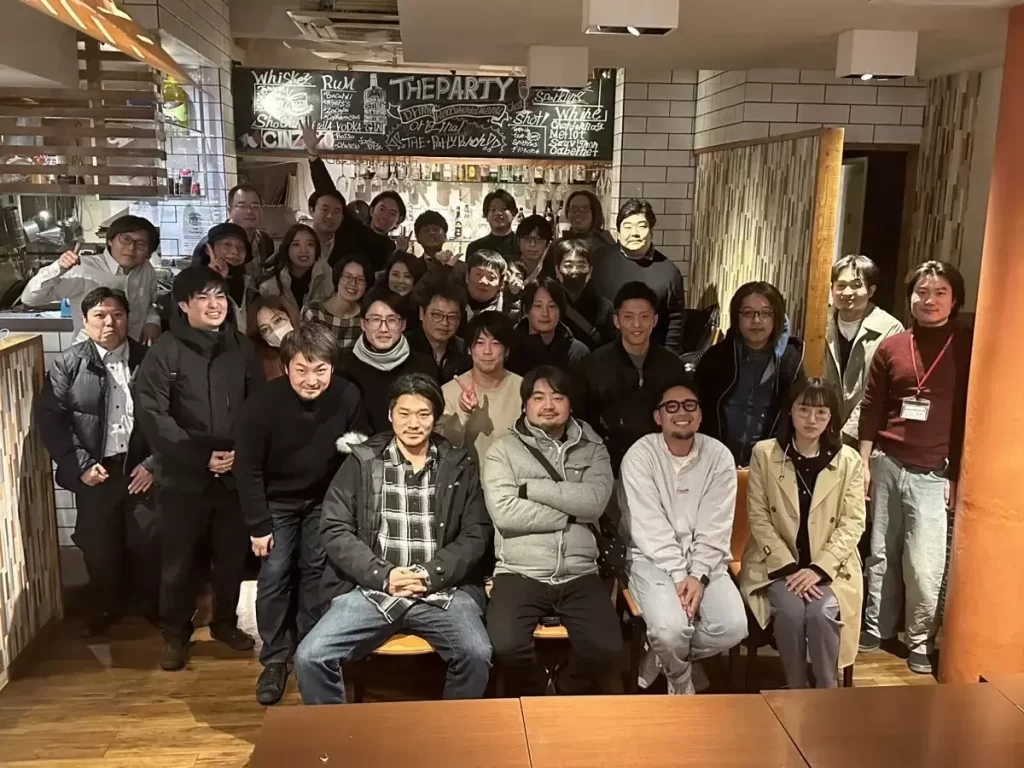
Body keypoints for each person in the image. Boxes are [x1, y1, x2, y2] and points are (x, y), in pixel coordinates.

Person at [293, 374, 493, 705]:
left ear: (436, 417)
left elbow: (476, 532)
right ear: (390, 414)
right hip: (373, 590)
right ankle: (334, 733)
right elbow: (334, 527)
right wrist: (383, 574)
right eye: (404, 413)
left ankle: (453, 732)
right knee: (311, 657)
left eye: (423, 414)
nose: (413, 423)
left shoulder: (458, 463)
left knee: (477, 654)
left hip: (441, 590)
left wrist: (430, 573)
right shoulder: (362, 461)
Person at [136, 266, 264, 671]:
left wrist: (242, 452)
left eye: (220, 296)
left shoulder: (241, 347)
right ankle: (175, 634)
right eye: (204, 297)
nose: (214, 305)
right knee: (179, 563)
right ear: (183, 304)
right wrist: (199, 456)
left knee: (230, 558)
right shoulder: (166, 350)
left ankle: (225, 622)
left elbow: (258, 406)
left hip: (232, 475)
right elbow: (153, 415)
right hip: (183, 477)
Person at [235, 324, 369, 705]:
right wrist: (258, 525)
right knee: (275, 575)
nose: (312, 380)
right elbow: (247, 468)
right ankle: (275, 659)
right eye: (302, 370)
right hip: (276, 501)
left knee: (316, 573)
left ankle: (312, 649)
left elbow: (360, 449)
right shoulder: (262, 404)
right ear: (285, 367)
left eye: (321, 369)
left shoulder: (346, 395)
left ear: (332, 367)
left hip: (324, 500)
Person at [858, 260, 972, 675]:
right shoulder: (892, 347)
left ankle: (920, 639)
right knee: (881, 555)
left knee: (925, 565)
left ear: (954, 300)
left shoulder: (966, 346)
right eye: (922, 292)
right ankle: (877, 626)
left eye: (940, 293)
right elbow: (872, 406)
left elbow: (968, 416)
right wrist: (865, 462)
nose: (929, 300)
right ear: (910, 297)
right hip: (887, 462)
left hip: (934, 471)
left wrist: (956, 474)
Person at [483, 367, 620, 696]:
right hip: (520, 570)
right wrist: (571, 514)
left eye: (558, 397)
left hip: (580, 570)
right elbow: (506, 514)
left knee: (607, 649)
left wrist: (531, 488)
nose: (548, 405)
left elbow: (594, 504)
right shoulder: (502, 450)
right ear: (525, 405)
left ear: (570, 404)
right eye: (538, 397)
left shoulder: (593, 448)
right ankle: (537, 691)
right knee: (505, 646)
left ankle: (564, 690)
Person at [35, 286, 158, 637]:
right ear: (85, 321)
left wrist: (154, 464)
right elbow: (52, 421)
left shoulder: (150, 360)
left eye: (117, 315)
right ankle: (107, 607)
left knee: (148, 540)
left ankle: (151, 606)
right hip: (96, 471)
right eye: (100, 316)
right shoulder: (68, 363)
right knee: (98, 546)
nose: (110, 323)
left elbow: (172, 416)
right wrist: (82, 466)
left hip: (140, 470)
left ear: (128, 319)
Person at [618, 380, 748, 694]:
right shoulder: (639, 456)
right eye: (671, 407)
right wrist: (680, 575)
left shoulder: (718, 456)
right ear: (658, 417)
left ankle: (662, 657)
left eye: (690, 406)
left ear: (700, 416)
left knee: (732, 628)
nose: (682, 412)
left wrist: (698, 574)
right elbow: (648, 527)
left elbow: (716, 524)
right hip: (651, 558)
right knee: (670, 631)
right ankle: (681, 680)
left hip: (705, 560)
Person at [741, 378, 866, 689]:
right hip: (777, 565)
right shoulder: (765, 454)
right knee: (791, 611)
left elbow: (853, 523)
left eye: (821, 412)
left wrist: (818, 569)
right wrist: (789, 568)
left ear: (831, 417)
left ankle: (826, 691)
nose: (812, 419)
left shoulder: (848, 460)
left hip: (831, 567)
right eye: (804, 409)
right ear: (790, 411)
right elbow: (758, 518)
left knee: (822, 612)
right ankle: (796, 688)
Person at [574, 281, 685, 471]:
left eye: (644, 317)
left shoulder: (672, 365)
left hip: (661, 462)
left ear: (654, 320)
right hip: (609, 463)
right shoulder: (595, 363)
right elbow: (582, 418)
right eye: (628, 317)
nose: (636, 325)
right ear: (616, 321)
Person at [696, 281, 806, 467]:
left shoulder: (791, 360)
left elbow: (797, 416)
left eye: (765, 313)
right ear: (736, 317)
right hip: (716, 460)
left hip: (771, 464)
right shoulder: (716, 357)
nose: (756, 320)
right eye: (748, 313)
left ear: (777, 317)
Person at [21, 215, 161, 344]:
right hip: (90, 355)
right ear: (110, 241)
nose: (131, 248)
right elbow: (30, 299)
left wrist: (153, 321)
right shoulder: (83, 269)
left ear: (149, 253)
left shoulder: (146, 269)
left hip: (132, 353)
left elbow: (149, 303)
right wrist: (58, 267)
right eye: (125, 239)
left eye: (141, 244)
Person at [825, 255, 904, 445]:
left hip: (869, 435)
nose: (847, 292)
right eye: (841, 285)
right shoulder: (818, 323)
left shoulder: (891, 329)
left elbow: (881, 390)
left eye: (856, 285)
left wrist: (846, 436)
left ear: (871, 290)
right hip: (822, 429)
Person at [590, 199, 686, 354]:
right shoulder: (599, 259)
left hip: (648, 357)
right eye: (627, 227)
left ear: (652, 231)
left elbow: (674, 321)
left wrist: (669, 358)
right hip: (600, 353)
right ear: (618, 233)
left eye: (641, 226)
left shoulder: (669, 272)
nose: (634, 233)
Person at [337, 288, 436, 433]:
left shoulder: (424, 366)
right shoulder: (344, 368)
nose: (383, 329)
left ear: (402, 325)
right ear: (363, 324)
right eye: (375, 320)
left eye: (392, 320)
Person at [300, 118, 394, 271]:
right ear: (372, 210)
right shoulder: (299, 240)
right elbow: (327, 190)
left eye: (392, 213)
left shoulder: (379, 244)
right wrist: (312, 153)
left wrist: (398, 253)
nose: (385, 216)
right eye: (382, 209)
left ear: (399, 220)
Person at [438, 311, 522, 464]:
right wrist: (463, 413)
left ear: (507, 350)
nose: (487, 351)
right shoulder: (448, 392)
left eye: (495, 343)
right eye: (480, 343)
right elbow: (443, 446)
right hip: (465, 476)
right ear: (469, 349)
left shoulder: (523, 389)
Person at [507, 278, 589, 375]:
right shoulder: (508, 350)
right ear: (525, 310)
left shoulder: (578, 353)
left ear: (560, 311)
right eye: (538, 306)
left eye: (552, 306)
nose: (545, 313)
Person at [551, 237, 617, 351]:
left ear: (590, 272)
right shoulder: (548, 305)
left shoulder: (605, 308)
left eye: (581, 266)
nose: (574, 271)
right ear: (557, 271)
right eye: (568, 266)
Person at [191, 184, 275, 268]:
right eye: (242, 206)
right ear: (230, 211)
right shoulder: (209, 243)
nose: (249, 211)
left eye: (255, 206)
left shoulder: (265, 241)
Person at [407, 278, 471, 384]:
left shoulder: (465, 351)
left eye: (452, 317)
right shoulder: (404, 347)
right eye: (437, 315)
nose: (445, 323)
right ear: (422, 313)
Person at [302, 254, 371, 353]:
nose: (353, 283)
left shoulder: (368, 316)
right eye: (347, 277)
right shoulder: (313, 311)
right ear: (338, 278)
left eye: (360, 280)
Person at [258, 223, 333, 310]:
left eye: (310, 244)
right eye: (296, 244)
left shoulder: (327, 275)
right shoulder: (270, 284)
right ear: (287, 249)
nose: (304, 250)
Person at [247, 295, 300, 380]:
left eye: (277, 320)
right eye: (265, 329)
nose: (274, 330)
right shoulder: (263, 367)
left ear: (290, 316)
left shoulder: (316, 346)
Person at [464, 249, 517, 325]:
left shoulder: (512, 313)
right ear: (467, 277)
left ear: (501, 283)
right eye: (478, 274)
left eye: (491, 277)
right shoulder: (455, 304)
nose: (483, 281)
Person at [466, 189, 519, 259]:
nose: (498, 213)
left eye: (503, 209)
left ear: (513, 213)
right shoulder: (475, 248)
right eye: (493, 209)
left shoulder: (522, 246)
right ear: (486, 216)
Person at [415, 210, 463, 281]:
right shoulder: (411, 266)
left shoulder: (461, 267)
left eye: (436, 229)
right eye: (426, 230)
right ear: (417, 238)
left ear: (445, 236)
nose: (431, 233)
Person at [514, 214, 554, 284]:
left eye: (539, 239)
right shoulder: (508, 267)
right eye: (527, 238)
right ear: (518, 240)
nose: (532, 244)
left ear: (547, 243)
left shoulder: (554, 272)